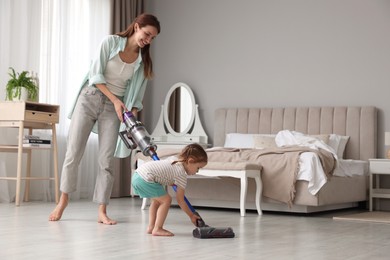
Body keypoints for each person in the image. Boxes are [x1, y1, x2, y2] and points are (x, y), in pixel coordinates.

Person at [49, 13, 161, 225]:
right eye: (147, 34)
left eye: (152, 38)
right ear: (136, 27)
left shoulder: (142, 62)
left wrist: (131, 122)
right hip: (89, 98)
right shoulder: (110, 43)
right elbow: (95, 75)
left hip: (113, 109)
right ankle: (63, 201)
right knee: (73, 153)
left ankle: (102, 210)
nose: (148, 40)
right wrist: (115, 100)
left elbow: (136, 98)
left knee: (106, 161)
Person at [132, 143, 208, 236]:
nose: (197, 171)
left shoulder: (174, 160)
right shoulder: (181, 175)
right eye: (198, 168)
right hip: (146, 178)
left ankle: (151, 227)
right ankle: (158, 228)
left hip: (137, 175)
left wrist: (170, 181)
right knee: (167, 200)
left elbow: (165, 173)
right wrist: (191, 216)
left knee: (156, 202)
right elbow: (181, 201)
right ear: (191, 161)